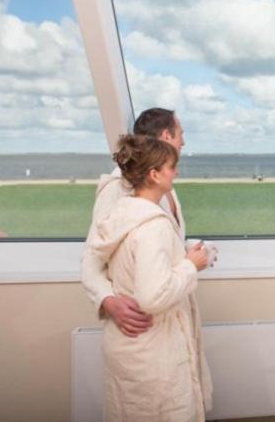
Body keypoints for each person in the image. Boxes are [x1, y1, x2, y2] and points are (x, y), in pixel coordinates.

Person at [89, 134, 212, 420]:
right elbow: (153, 296)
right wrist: (190, 265)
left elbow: (137, 269)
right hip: (153, 348)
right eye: (171, 167)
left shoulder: (121, 215)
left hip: (128, 349)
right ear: (154, 174)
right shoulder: (152, 226)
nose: (177, 172)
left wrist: (180, 257)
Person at [82, 108, 190, 337]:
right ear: (167, 136)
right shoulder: (119, 188)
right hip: (140, 326)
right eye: (181, 133)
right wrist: (108, 300)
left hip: (168, 321)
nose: (184, 141)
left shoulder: (163, 185)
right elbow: (92, 256)